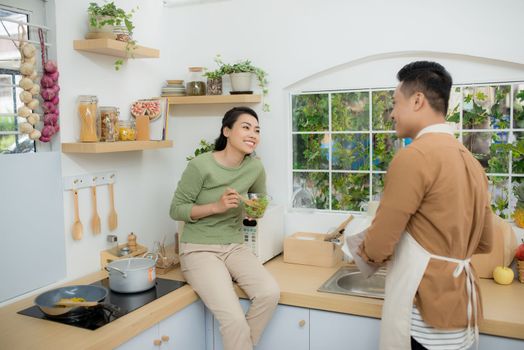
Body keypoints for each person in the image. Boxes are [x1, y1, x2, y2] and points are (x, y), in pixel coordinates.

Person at [348, 61, 494, 350]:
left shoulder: (414, 156)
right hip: (461, 318)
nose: (392, 113)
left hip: (423, 319)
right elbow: (486, 242)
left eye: (395, 103)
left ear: (417, 100)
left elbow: (378, 246)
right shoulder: (471, 162)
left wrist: (359, 249)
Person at [170, 106, 280, 350]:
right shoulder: (200, 166)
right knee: (234, 321)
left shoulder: (255, 168)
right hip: (199, 249)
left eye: (257, 130)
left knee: (269, 293)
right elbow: (176, 209)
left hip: (234, 246)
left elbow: (257, 203)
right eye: (246, 127)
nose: (253, 134)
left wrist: (254, 210)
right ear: (227, 131)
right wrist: (215, 207)